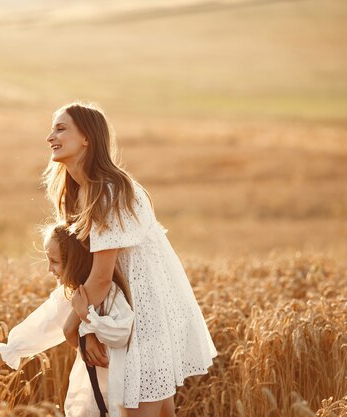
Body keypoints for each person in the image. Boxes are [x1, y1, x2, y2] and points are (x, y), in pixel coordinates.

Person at [44, 101, 218, 417]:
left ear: (87, 138)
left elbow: (99, 277)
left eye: (60, 128)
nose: (50, 137)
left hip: (146, 318)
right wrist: (88, 326)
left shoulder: (106, 191)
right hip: (139, 314)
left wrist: (75, 330)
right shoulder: (86, 191)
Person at [0, 223, 134, 417]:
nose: (49, 269)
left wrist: (85, 316)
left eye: (54, 261)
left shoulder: (109, 293)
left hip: (118, 391)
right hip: (89, 389)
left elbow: (121, 333)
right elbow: (35, 332)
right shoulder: (69, 297)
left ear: (75, 261)